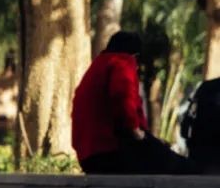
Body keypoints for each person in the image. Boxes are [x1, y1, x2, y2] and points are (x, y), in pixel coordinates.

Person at [72, 32, 197, 175]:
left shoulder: (98, 65)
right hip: (111, 151)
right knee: (185, 168)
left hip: (89, 156)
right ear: (135, 54)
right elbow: (122, 97)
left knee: (162, 151)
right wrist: (136, 131)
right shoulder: (122, 62)